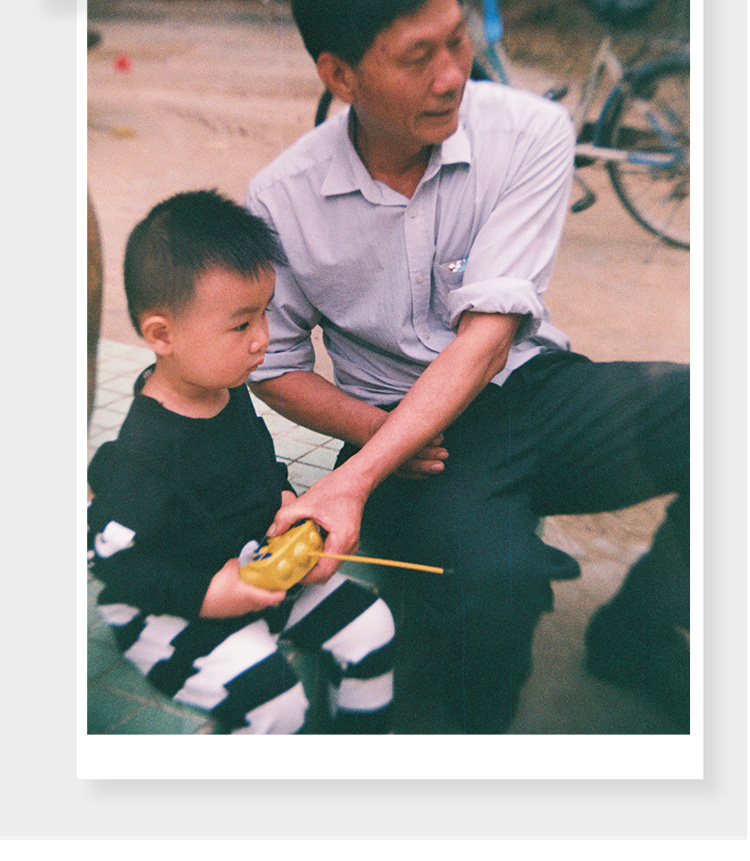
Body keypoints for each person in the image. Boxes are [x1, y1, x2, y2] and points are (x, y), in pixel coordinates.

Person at [245, 0, 689, 733]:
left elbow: (488, 339)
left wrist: (350, 480)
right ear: (341, 77)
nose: (453, 75)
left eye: (458, 41)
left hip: (532, 387)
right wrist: (377, 437)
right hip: (409, 439)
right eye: (418, 57)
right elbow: (274, 365)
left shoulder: (530, 131)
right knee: (492, 593)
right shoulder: (282, 198)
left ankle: (637, 631)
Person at [87, 190, 395, 734]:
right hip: (173, 606)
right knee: (275, 704)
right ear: (162, 334)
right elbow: (113, 560)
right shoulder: (143, 455)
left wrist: (283, 498)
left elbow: (257, 457)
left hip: (253, 565)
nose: (262, 340)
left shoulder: (226, 389)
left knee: (372, 624)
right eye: (240, 325)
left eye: (264, 314)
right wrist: (211, 595)